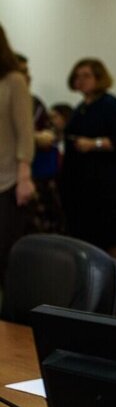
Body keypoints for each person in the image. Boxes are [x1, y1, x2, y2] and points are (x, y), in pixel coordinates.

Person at [59, 57, 116, 300]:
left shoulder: (113, 106)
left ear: (99, 77)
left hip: (110, 186)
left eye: (86, 75)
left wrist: (94, 143)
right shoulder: (80, 109)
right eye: (77, 76)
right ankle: (96, 287)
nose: (81, 80)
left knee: (111, 237)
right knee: (88, 237)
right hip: (84, 187)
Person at [14, 53, 65, 234]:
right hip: (14, 181)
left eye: (27, 71)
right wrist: (34, 138)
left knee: (48, 234)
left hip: (42, 180)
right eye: (21, 71)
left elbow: (53, 134)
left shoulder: (35, 103)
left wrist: (47, 136)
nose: (27, 76)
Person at [0, 25, 34, 283]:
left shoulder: (14, 80)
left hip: (8, 181)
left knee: (6, 258)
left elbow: (25, 132)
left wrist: (24, 176)